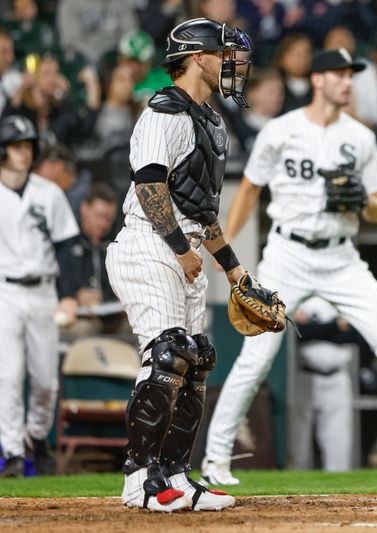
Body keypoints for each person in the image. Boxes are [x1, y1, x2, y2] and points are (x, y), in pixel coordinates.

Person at [201, 48, 377, 486]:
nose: (348, 81)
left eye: (351, 74)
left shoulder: (360, 137)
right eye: (340, 74)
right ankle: (215, 459)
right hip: (288, 255)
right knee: (257, 358)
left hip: (341, 257)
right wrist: (224, 249)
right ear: (318, 80)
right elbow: (248, 190)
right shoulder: (281, 130)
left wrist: (363, 199)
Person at [105, 18, 262, 512]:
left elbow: (203, 213)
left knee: (196, 361)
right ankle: (140, 481)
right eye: (222, 54)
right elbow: (147, 185)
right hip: (151, 246)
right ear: (197, 57)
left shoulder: (211, 121)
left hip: (185, 250)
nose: (231, 64)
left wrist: (235, 271)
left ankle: (175, 475)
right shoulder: (163, 111)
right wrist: (180, 248)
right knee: (168, 354)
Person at [0, 115, 80, 477]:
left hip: (45, 291)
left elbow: (68, 247)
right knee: (8, 374)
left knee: (46, 379)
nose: (24, 153)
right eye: (17, 146)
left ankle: (36, 436)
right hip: (5, 291)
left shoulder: (48, 193)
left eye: (28, 147)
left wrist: (69, 296)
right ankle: (13, 452)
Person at [291, 297, 360, 472]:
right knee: (298, 443)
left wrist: (316, 330)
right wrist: (335, 327)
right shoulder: (303, 298)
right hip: (306, 375)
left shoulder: (347, 298)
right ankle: (295, 492)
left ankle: (340, 492)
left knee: (339, 442)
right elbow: (299, 333)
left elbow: (356, 335)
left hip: (338, 377)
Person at [61, 183, 126, 337]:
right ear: (84, 209)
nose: (103, 224)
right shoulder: (67, 244)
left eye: (109, 219)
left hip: (112, 316)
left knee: (135, 328)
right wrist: (74, 295)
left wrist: (105, 296)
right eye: (99, 216)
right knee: (87, 329)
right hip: (77, 316)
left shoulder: (116, 245)